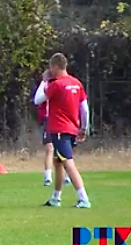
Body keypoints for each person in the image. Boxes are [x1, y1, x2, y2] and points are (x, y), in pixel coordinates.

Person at [33, 52, 91, 209]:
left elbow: (37, 100)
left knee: (67, 162)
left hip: (59, 129)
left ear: (56, 66)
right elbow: (84, 109)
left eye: (51, 67)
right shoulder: (77, 83)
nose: (50, 71)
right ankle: (55, 198)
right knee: (58, 162)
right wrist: (84, 128)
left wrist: (44, 81)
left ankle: (83, 198)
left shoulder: (56, 84)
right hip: (72, 128)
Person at [33, 71, 70, 187]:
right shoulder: (47, 86)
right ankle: (48, 176)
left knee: (64, 150)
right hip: (49, 120)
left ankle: (68, 175)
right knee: (49, 148)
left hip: (63, 120)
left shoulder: (62, 85)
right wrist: (43, 82)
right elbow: (37, 99)